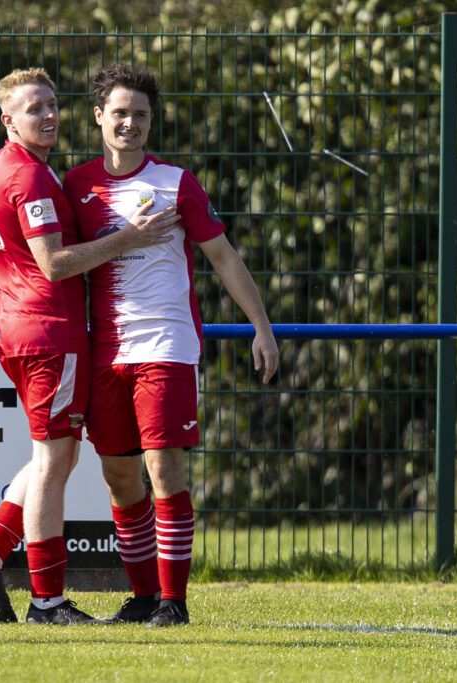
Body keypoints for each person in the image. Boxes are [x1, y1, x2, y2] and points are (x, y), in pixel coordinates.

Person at [0, 67, 180, 625]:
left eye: (53, 104)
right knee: (56, 461)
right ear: (8, 119)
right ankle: (47, 601)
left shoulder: (5, 165)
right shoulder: (29, 177)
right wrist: (129, 238)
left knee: (50, 455)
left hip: (21, 324)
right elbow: (54, 263)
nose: (49, 115)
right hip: (49, 331)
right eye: (34, 108)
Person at [63, 64, 280, 626]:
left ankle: (174, 602)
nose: (129, 123)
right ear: (99, 118)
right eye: (119, 113)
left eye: (140, 114)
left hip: (166, 343)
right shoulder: (74, 185)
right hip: (104, 350)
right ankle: (141, 598)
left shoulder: (176, 183)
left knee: (164, 469)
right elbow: (51, 260)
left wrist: (261, 326)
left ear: (151, 121)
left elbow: (224, 258)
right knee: (120, 477)